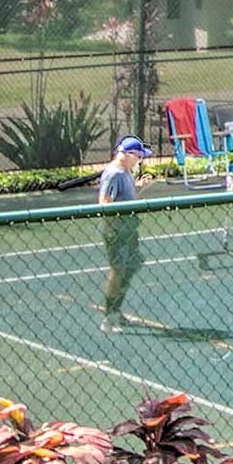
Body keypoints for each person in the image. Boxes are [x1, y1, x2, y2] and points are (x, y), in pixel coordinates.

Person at [98, 136, 149, 324]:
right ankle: (110, 314)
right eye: (139, 157)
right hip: (117, 231)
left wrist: (139, 187)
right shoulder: (114, 174)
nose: (139, 161)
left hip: (129, 229)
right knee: (118, 269)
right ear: (128, 155)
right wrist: (115, 229)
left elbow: (126, 198)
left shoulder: (125, 172)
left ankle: (116, 310)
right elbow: (105, 204)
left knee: (131, 265)